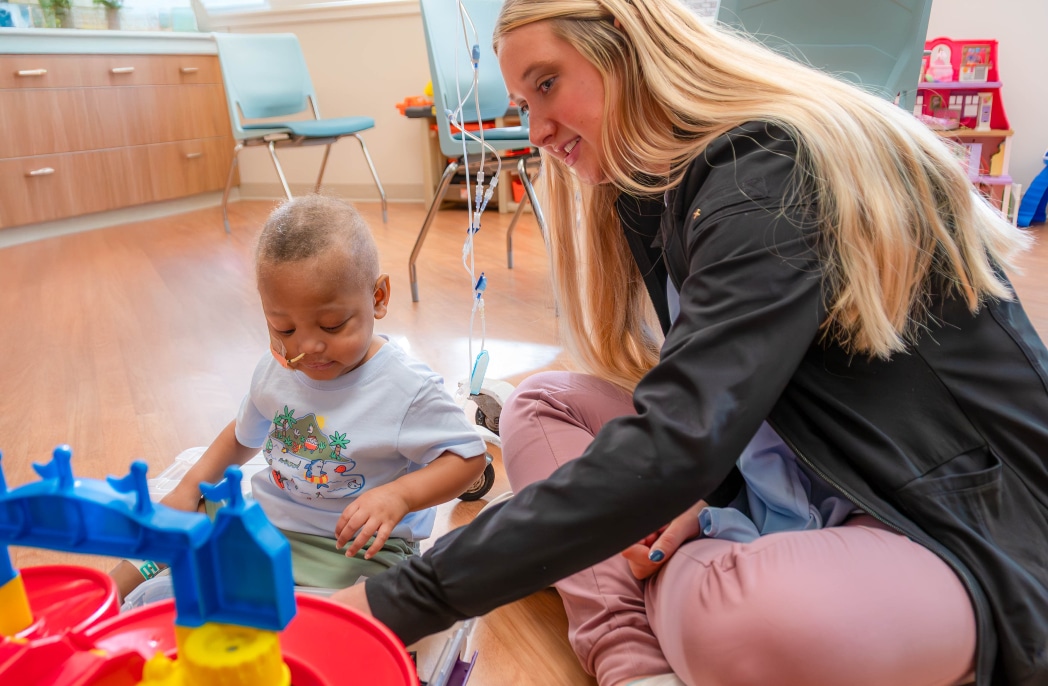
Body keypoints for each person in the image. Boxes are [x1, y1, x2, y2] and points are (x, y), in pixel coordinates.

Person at [331, 1, 1048, 685]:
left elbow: (678, 442)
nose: (538, 129)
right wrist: (702, 496)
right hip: (796, 474)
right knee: (543, 401)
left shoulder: (767, 168)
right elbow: (726, 404)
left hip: (944, 523)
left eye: (547, 84)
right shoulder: (654, 187)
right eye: (524, 105)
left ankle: (630, 617)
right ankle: (637, 662)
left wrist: (392, 602)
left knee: (734, 626)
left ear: (626, 41)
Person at [111, 195, 487, 604]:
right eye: (284, 329)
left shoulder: (405, 387)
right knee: (176, 522)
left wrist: (400, 495)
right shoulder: (277, 370)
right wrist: (187, 487)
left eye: (331, 325)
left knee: (368, 610)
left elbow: (468, 459)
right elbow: (242, 437)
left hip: (356, 547)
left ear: (378, 298)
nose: (307, 348)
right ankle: (100, 599)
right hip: (268, 521)